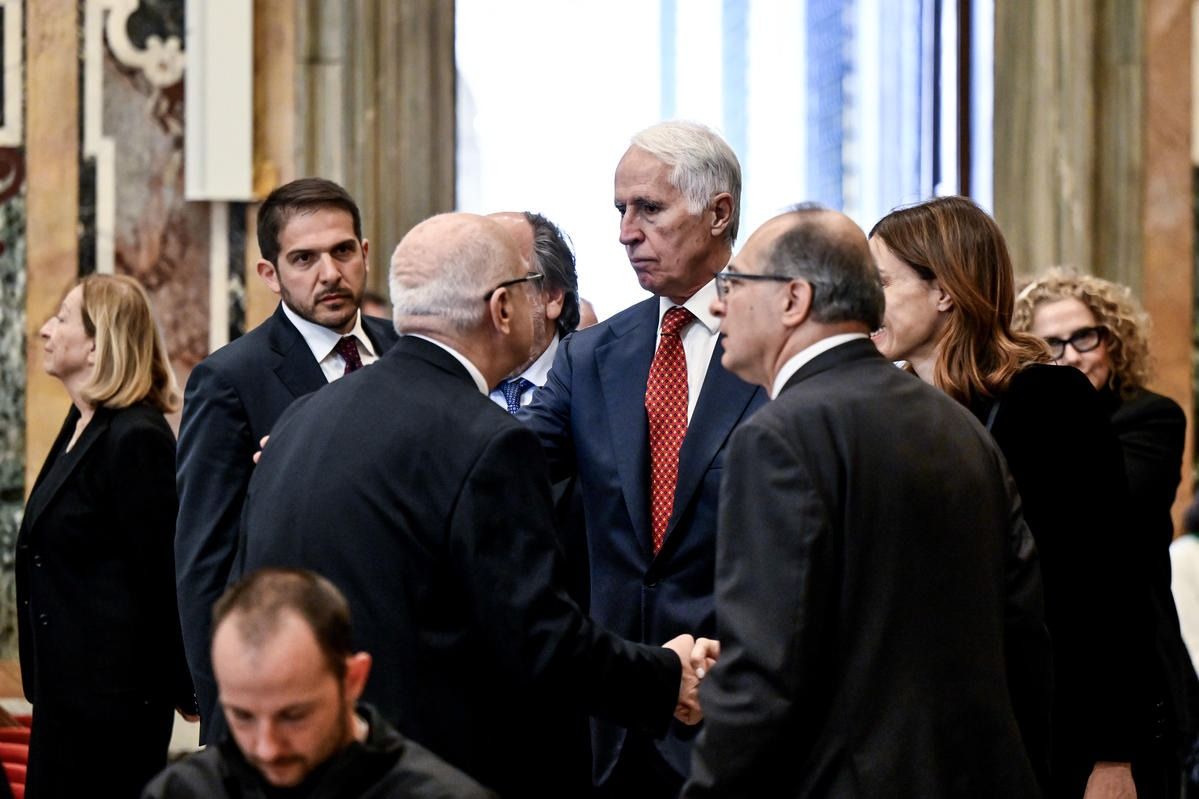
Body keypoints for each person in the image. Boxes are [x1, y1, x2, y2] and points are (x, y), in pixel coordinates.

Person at [236, 212, 702, 797]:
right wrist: (665, 677)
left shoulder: (302, 416)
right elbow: (539, 640)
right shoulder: (488, 441)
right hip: (432, 774)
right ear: (502, 308)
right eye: (529, 287)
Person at [681, 207, 1050, 796]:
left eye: (735, 283)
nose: (719, 306)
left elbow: (766, 674)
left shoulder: (778, 436)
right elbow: (1022, 636)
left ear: (793, 299)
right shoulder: (959, 426)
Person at [869, 195, 1153, 798]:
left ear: (944, 291)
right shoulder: (889, 412)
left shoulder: (1048, 400)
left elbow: (1106, 582)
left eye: (883, 283)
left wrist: (1112, 755)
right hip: (927, 742)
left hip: (1044, 734)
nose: (867, 303)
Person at [520, 120, 767, 796]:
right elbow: (509, 461)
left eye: (649, 208)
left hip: (739, 710)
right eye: (621, 210)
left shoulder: (776, 342)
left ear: (719, 213)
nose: (626, 232)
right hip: (616, 716)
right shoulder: (590, 355)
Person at [176, 178, 399, 738]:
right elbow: (204, 560)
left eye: (342, 251)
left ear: (365, 253)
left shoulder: (407, 350)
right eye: (304, 258)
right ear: (269, 273)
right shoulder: (229, 379)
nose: (330, 273)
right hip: (286, 681)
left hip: (405, 675)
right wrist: (226, 712)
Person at [1015, 268, 1199, 794]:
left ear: (1114, 340)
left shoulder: (1151, 417)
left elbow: (1108, 512)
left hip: (1135, 668)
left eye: (1084, 337)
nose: (1071, 355)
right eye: (1051, 344)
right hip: (1054, 664)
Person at [18, 274, 195, 797]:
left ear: (98, 344)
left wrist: (186, 684)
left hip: (113, 707)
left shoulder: (136, 437)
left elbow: (162, 576)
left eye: (62, 318)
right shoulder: (81, 423)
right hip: (65, 695)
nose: (45, 330)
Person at [143, 568, 497, 798]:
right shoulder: (184, 791)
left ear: (353, 679)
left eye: (293, 716)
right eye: (242, 716)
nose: (267, 748)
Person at [487, 211, 581, 413]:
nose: (479, 302)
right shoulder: (442, 387)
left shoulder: (597, 380)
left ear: (552, 296)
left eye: (499, 284)